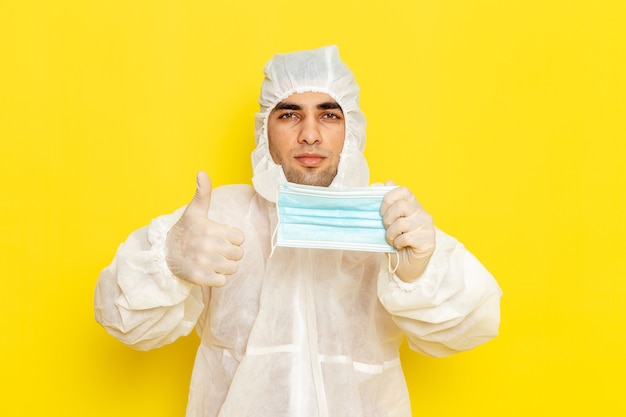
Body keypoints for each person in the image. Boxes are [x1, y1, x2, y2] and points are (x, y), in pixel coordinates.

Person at [94, 45, 502, 417]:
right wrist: (166, 261)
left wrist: (419, 273)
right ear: (264, 130)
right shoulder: (219, 217)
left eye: (329, 114)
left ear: (351, 131)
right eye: (289, 114)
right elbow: (121, 321)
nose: (310, 133)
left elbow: (472, 326)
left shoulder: (389, 220)